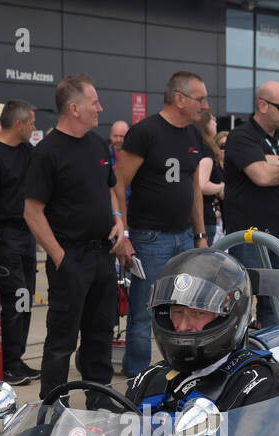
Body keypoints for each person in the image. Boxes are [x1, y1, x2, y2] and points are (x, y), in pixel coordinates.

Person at [23, 74, 132, 404]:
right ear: (74, 107)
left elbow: (110, 190)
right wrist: (59, 257)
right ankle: (54, 406)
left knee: (100, 335)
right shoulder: (47, 153)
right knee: (61, 339)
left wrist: (117, 221)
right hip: (70, 259)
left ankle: (99, 401)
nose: (100, 108)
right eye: (93, 102)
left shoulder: (97, 144)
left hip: (102, 256)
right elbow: (32, 212)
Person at [112, 71, 209, 377]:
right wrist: (124, 234)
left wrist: (201, 236)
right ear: (179, 99)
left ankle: (177, 373)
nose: (205, 105)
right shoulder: (145, 132)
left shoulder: (193, 135)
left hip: (183, 238)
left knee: (184, 310)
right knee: (143, 314)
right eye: (200, 98)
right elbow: (117, 184)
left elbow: (194, 190)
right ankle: (137, 380)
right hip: (150, 238)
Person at [126, 249, 279, 415]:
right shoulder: (148, 379)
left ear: (226, 316)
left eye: (198, 313)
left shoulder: (257, 388)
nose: (183, 326)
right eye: (178, 312)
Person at [221, 81, 279, 326]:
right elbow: (261, 177)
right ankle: (239, 358)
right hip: (248, 236)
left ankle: (269, 359)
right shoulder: (242, 136)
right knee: (242, 301)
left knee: (273, 304)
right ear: (262, 105)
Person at [0, 99, 39, 387]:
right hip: (4, 236)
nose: (34, 128)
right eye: (33, 123)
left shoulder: (27, 151)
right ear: (19, 124)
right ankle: (9, 363)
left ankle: (17, 356)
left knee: (26, 299)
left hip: (27, 235)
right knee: (14, 300)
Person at [197, 114, 226, 244]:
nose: (216, 123)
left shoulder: (197, 147)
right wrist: (221, 187)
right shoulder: (206, 150)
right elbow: (202, 185)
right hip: (203, 218)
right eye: (212, 120)